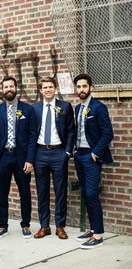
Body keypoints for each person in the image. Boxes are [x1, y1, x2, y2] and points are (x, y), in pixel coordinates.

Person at [0, 76, 37, 239]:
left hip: (22, 158)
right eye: (5, 87)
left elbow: (32, 137)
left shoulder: (28, 109)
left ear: (16, 88)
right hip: (3, 157)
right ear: (2, 90)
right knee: (2, 193)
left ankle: (25, 225)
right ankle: (2, 225)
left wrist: (30, 159)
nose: (8, 89)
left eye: (11, 86)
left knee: (25, 192)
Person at [73, 73, 113, 249]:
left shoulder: (99, 107)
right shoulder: (78, 108)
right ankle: (91, 229)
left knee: (91, 193)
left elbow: (107, 133)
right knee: (85, 193)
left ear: (90, 87)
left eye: (84, 86)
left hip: (91, 156)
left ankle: (98, 235)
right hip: (79, 155)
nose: (81, 89)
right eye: (79, 86)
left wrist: (95, 153)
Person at [33, 77, 75, 239]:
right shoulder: (35, 109)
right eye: (45, 87)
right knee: (42, 191)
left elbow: (71, 130)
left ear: (55, 88)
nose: (48, 89)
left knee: (60, 191)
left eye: (51, 87)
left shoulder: (64, 106)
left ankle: (60, 226)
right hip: (40, 153)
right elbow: (31, 133)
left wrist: (67, 152)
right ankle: (44, 226)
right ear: (41, 90)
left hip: (59, 153)